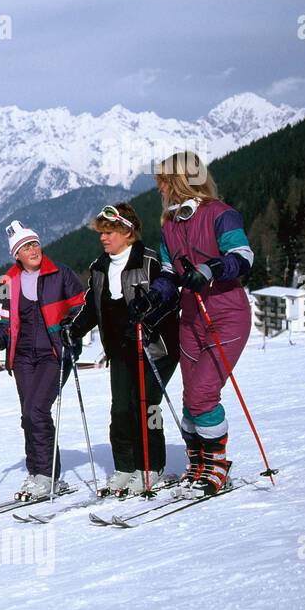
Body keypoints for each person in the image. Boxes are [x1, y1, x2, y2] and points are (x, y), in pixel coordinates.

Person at [130, 151, 255, 495]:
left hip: (227, 314)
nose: (160, 189)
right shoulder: (170, 225)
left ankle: (217, 468)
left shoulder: (221, 215)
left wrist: (211, 269)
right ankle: (198, 464)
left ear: (182, 180)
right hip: (192, 317)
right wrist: (153, 297)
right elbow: (170, 274)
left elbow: (242, 258)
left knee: (202, 394)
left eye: (164, 182)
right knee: (190, 397)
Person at [64, 202, 179, 495]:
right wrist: (75, 329)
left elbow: (169, 301)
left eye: (110, 232)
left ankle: (151, 467)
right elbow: (92, 307)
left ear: (128, 232)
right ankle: (126, 467)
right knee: (121, 410)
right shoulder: (99, 267)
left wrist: (147, 322)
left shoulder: (149, 262)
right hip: (120, 351)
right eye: (102, 232)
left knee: (147, 405)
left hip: (155, 350)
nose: (104, 238)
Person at [0, 221, 86, 500]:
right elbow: (6, 323)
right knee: (28, 415)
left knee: (38, 410)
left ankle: (48, 476)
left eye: (35, 243)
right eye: (26, 246)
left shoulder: (60, 273)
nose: (33, 249)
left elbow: (83, 308)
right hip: (24, 357)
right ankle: (36, 471)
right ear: (17, 254)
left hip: (55, 353)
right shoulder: (9, 282)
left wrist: (70, 329)